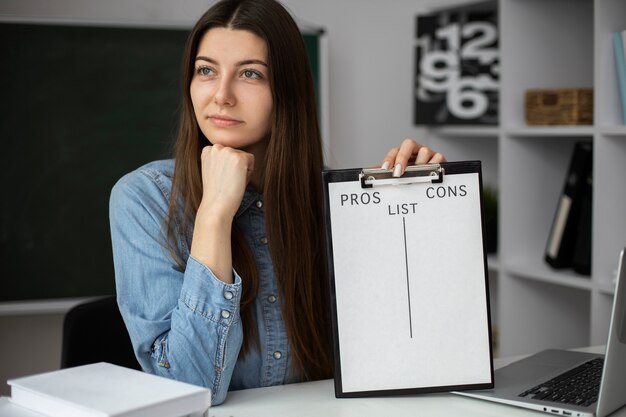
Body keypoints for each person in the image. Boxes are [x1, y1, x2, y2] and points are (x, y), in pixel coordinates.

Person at [109, 0, 445, 406]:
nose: (221, 95)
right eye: (206, 70)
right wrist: (215, 213)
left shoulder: (339, 201)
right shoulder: (145, 197)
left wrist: (419, 211)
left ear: (286, 89)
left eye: (250, 73)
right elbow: (189, 390)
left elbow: (411, 357)